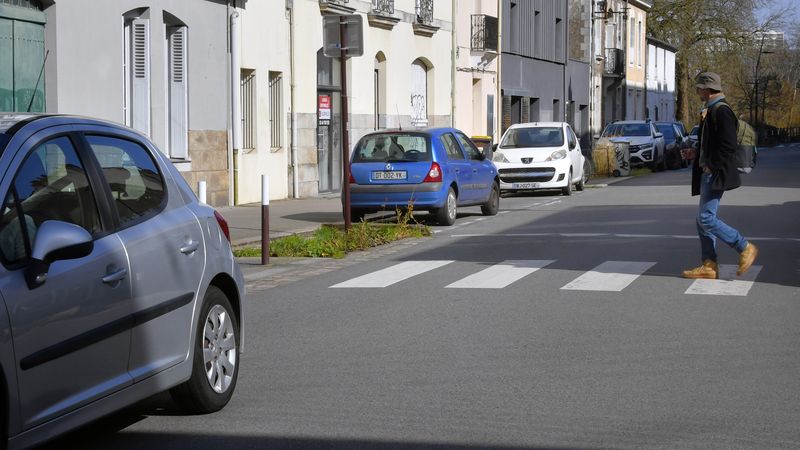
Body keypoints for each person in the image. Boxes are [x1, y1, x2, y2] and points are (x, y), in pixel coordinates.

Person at [680, 72, 758, 279]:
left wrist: (711, 166)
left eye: (698, 88)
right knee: (702, 219)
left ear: (707, 89)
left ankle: (744, 247)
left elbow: (728, 145)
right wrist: (696, 154)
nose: (696, 92)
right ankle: (709, 264)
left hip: (714, 173)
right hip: (710, 171)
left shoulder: (721, 111)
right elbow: (714, 145)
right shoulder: (711, 109)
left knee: (705, 218)